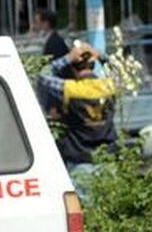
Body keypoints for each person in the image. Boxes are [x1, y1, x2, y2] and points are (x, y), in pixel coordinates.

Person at [37, 42, 117, 175]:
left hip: (80, 160)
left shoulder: (70, 89)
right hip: (107, 159)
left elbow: (43, 76)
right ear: (92, 65)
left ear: (72, 69)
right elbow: (123, 70)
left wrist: (69, 57)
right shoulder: (108, 87)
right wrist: (99, 55)